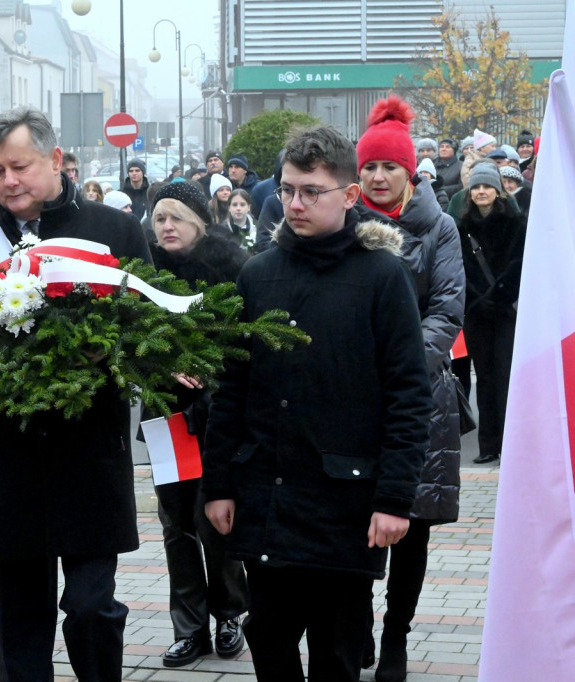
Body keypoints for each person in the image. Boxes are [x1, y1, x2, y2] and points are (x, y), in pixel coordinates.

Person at [0, 107, 152, 682]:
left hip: (89, 455)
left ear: (54, 161)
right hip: (10, 458)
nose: (8, 182)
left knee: (91, 606)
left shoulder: (113, 230)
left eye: (19, 166)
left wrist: (104, 347)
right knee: (20, 628)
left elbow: (149, 319)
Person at [203, 124, 432, 682]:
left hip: (346, 504)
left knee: (337, 653)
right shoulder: (258, 272)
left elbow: (408, 394)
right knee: (272, 647)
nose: (294, 204)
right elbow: (233, 386)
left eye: (311, 191)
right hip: (268, 494)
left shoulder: (381, 276)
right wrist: (219, 485)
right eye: (286, 190)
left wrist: (395, 498)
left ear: (350, 196)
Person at [353, 96, 465, 682]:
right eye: (368, 166)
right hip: (351, 397)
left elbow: (447, 309)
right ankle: (359, 629)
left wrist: (399, 367)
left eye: (388, 167)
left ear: (409, 171)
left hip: (418, 395)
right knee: (355, 523)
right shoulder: (346, 223)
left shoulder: (438, 226)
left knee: (410, 528)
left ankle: (396, 636)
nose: (376, 176)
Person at [148, 181, 249, 667]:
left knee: (216, 516)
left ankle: (231, 614)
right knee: (176, 524)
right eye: (159, 218)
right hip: (165, 414)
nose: (167, 227)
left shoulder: (231, 266)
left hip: (218, 415)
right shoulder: (141, 272)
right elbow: (124, 342)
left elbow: (252, 338)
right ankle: (188, 627)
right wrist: (160, 364)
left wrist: (210, 372)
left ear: (199, 221)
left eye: (176, 218)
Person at [458, 164, 526, 465]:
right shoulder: (461, 227)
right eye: (476, 187)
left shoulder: (515, 222)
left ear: (498, 190)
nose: (481, 191)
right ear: (469, 192)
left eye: (486, 186)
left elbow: (518, 263)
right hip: (476, 312)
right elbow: (458, 268)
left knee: (506, 376)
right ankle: (488, 444)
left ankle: (510, 442)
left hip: (506, 310)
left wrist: (497, 295)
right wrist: (477, 299)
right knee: (484, 376)